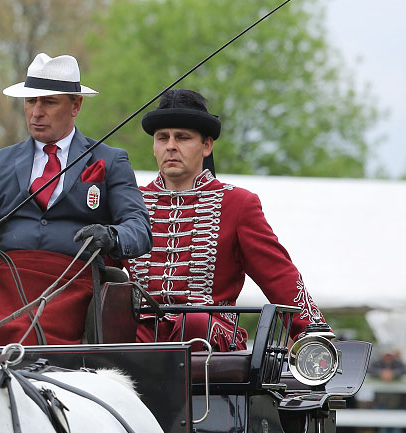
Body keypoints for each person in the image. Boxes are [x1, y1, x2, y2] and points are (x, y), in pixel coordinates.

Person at [0, 53, 152, 345]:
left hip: (73, 286)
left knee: (26, 333)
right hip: (5, 281)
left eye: (48, 102)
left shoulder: (110, 160)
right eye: (30, 101)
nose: (36, 112)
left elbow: (139, 228)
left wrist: (111, 235)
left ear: (75, 105)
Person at [127, 89, 327, 350]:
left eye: (183, 137)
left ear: (207, 146)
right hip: (142, 336)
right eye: (162, 138)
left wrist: (312, 333)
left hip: (209, 335)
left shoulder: (237, 203)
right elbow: (91, 272)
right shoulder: (132, 202)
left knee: (195, 321)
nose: (171, 146)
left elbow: (278, 275)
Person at [369, 349, 406, 433]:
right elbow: (369, 369)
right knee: (384, 432)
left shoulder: (398, 364)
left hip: (397, 404)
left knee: (396, 432)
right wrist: (381, 373)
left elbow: (403, 369)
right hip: (382, 403)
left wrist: (393, 374)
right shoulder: (377, 364)